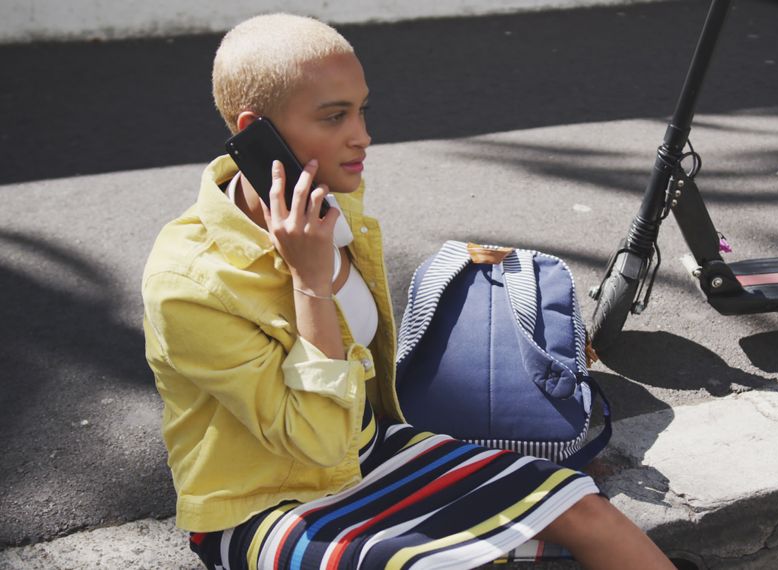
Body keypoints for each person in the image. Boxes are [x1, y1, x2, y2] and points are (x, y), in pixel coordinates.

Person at [141, 13, 675, 570]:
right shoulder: (187, 283)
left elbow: (352, 417)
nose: (362, 136)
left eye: (361, 109)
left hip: (369, 447)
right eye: (334, 116)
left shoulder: (330, 198)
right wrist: (309, 282)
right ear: (256, 130)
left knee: (584, 511)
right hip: (264, 500)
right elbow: (315, 445)